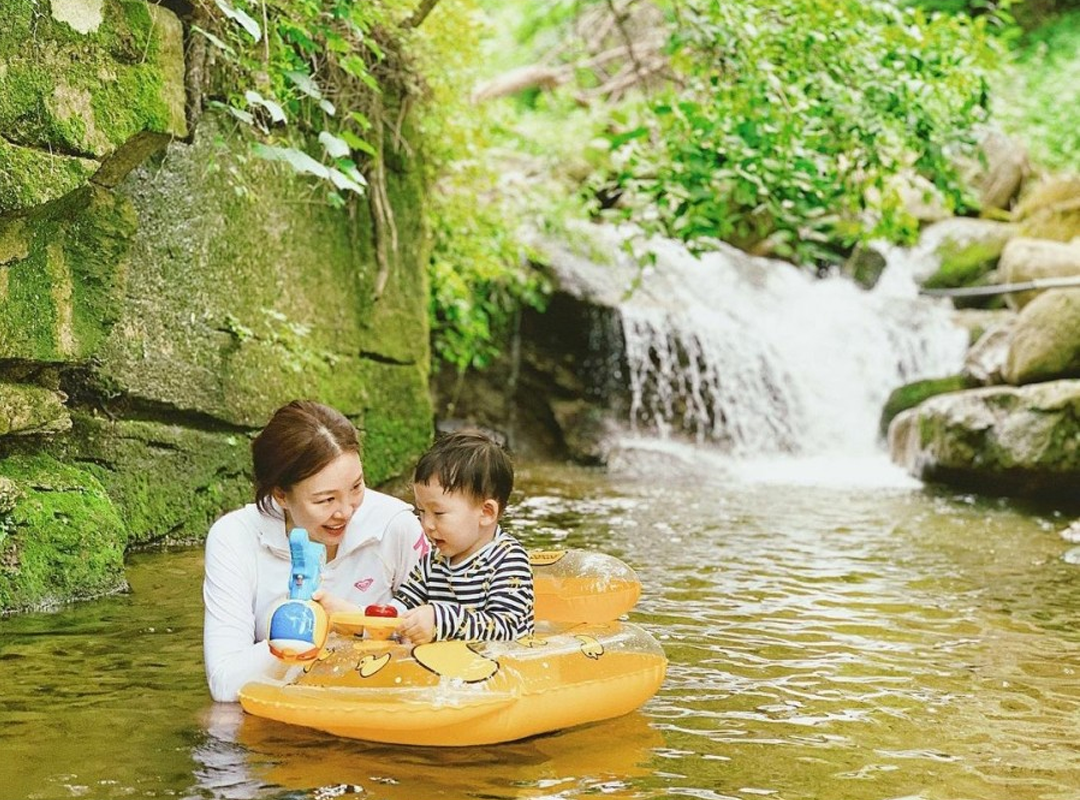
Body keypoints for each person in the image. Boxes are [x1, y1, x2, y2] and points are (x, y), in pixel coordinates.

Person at [202, 400, 427, 702]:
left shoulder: (394, 526)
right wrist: (307, 630)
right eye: (325, 500)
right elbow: (224, 683)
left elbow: (444, 625)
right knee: (218, 726)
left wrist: (353, 623)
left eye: (357, 487)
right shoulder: (235, 537)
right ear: (280, 494)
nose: (346, 511)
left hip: (380, 696)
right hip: (286, 705)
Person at [392, 429, 535, 644]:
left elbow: (507, 628)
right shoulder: (432, 563)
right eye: (421, 511)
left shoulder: (508, 561)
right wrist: (366, 618)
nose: (426, 524)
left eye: (438, 513)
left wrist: (440, 619)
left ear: (486, 513)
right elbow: (401, 607)